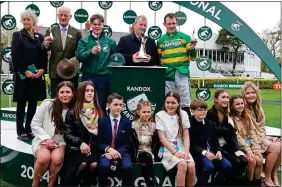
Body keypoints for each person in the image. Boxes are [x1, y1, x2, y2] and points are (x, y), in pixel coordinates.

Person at [11, 9, 48, 141]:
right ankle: (20, 131)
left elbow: (44, 55)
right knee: (21, 104)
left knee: (33, 104)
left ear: (34, 21)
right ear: (22, 21)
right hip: (23, 76)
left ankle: (29, 129)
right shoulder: (18, 35)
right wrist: (25, 71)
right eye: (24, 19)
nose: (27, 21)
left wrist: (43, 69)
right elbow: (15, 56)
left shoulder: (40, 37)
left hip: (37, 76)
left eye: (29, 19)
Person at [31, 81, 75, 187]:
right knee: (43, 158)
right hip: (43, 139)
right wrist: (46, 139)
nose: (65, 95)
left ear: (73, 93)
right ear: (57, 93)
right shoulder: (47, 104)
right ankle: (34, 184)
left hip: (61, 141)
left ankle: (51, 185)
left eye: (68, 92)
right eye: (62, 92)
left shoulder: (75, 109)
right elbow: (35, 124)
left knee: (57, 159)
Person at [62, 81, 104, 186]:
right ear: (81, 93)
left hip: (94, 146)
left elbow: (103, 131)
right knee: (83, 164)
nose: (90, 93)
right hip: (77, 147)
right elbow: (67, 133)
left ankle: (87, 184)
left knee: (94, 164)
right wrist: (80, 143)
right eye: (87, 91)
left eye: (92, 91)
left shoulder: (99, 110)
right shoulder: (73, 112)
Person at [157, 13, 198, 118]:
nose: (171, 26)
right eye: (169, 24)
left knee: (185, 103)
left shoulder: (185, 37)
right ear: (164, 24)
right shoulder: (161, 40)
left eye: (173, 23)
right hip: (167, 75)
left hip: (181, 73)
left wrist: (193, 49)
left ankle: (186, 128)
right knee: (168, 102)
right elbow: (159, 58)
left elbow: (193, 57)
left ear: (177, 23)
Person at [241, 82, 281, 186]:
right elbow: (246, 133)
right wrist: (263, 140)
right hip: (247, 140)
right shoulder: (242, 108)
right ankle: (267, 178)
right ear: (244, 95)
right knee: (275, 148)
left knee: (279, 144)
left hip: (259, 137)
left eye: (253, 92)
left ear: (257, 93)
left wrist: (267, 139)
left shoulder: (258, 108)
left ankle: (274, 174)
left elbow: (262, 127)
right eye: (248, 93)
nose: (251, 95)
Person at [206, 89, 248, 185]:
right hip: (215, 146)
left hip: (226, 145)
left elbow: (230, 135)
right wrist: (229, 126)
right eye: (223, 97)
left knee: (242, 160)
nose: (226, 100)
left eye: (227, 97)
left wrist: (237, 150)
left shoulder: (224, 113)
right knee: (235, 162)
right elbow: (214, 132)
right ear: (216, 99)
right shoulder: (211, 113)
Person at [76, 14, 116, 113]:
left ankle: (101, 125)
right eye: (94, 24)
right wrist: (90, 52)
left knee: (103, 104)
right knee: (87, 103)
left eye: (99, 24)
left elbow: (115, 60)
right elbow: (79, 57)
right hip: (89, 77)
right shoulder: (84, 41)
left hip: (105, 77)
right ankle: (87, 126)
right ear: (91, 25)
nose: (97, 26)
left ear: (103, 25)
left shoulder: (111, 42)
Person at [155, 91, 195, 186]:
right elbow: (162, 138)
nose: (170, 105)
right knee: (182, 164)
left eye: (173, 103)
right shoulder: (159, 115)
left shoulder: (183, 114)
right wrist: (175, 152)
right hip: (168, 148)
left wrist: (186, 152)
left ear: (178, 104)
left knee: (191, 166)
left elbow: (186, 136)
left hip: (182, 147)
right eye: (167, 102)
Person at [189, 99, 232, 186]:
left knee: (227, 165)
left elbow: (218, 138)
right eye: (199, 109)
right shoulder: (190, 124)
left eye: (204, 109)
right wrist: (205, 153)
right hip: (199, 153)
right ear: (193, 111)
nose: (203, 112)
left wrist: (219, 150)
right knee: (209, 166)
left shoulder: (211, 124)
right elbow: (191, 144)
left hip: (213, 152)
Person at [42, 6, 82, 97]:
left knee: (72, 100)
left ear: (70, 17)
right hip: (55, 72)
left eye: (65, 15)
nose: (63, 17)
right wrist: (46, 43)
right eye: (61, 15)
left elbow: (80, 52)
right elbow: (44, 48)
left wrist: (73, 63)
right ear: (57, 16)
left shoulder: (77, 32)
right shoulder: (51, 30)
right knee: (55, 100)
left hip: (71, 72)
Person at [97, 93, 133, 186]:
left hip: (122, 152)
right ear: (108, 105)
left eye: (121, 105)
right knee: (104, 166)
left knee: (127, 167)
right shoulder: (102, 121)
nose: (118, 107)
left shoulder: (127, 122)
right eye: (115, 105)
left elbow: (128, 143)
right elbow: (99, 142)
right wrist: (109, 150)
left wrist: (117, 153)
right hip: (107, 152)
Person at [229, 95, 263, 186]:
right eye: (237, 104)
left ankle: (257, 183)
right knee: (252, 160)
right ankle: (248, 182)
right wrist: (249, 151)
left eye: (242, 103)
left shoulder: (247, 116)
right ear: (231, 106)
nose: (240, 106)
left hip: (250, 145)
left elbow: (253, 133)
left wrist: (256, 149)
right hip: (238, 147)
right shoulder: (230, 118)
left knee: (259, 160)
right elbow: (238, 138)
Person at [132, 100, 158, 186]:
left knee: (148, 156)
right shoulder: (133, 125)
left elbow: (155, 143)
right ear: (138, 112)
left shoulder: (154, 126)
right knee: (147, 156)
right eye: (144, 112)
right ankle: (151, 181)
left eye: (148, 112)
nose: (146, 114)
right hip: (138, 152)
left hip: (150, 151)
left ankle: (149, 179)